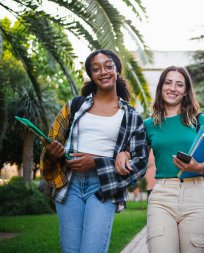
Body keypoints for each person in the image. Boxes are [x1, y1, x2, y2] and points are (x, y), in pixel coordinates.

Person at [40, 49, 149, 253]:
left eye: (109, 66)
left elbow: (141, 162)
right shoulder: (74, 106)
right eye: (96, 68)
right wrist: (53, 151)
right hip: (69, 184)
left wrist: (97, 162)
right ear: (91, 75)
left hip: (103, 187)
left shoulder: (131, 116)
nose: (103, 72)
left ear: (117, 71)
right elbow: (52, 139)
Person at [116, 66, 204, 253]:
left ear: (185, 92)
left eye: (179, 84)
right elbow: (135, 152)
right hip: (162, 196)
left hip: (196, 195)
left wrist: (198, 166)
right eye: (168, 82)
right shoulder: (149, 125)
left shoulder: (198, 120)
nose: (172, 88)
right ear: (161, 87)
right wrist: (124, 153)